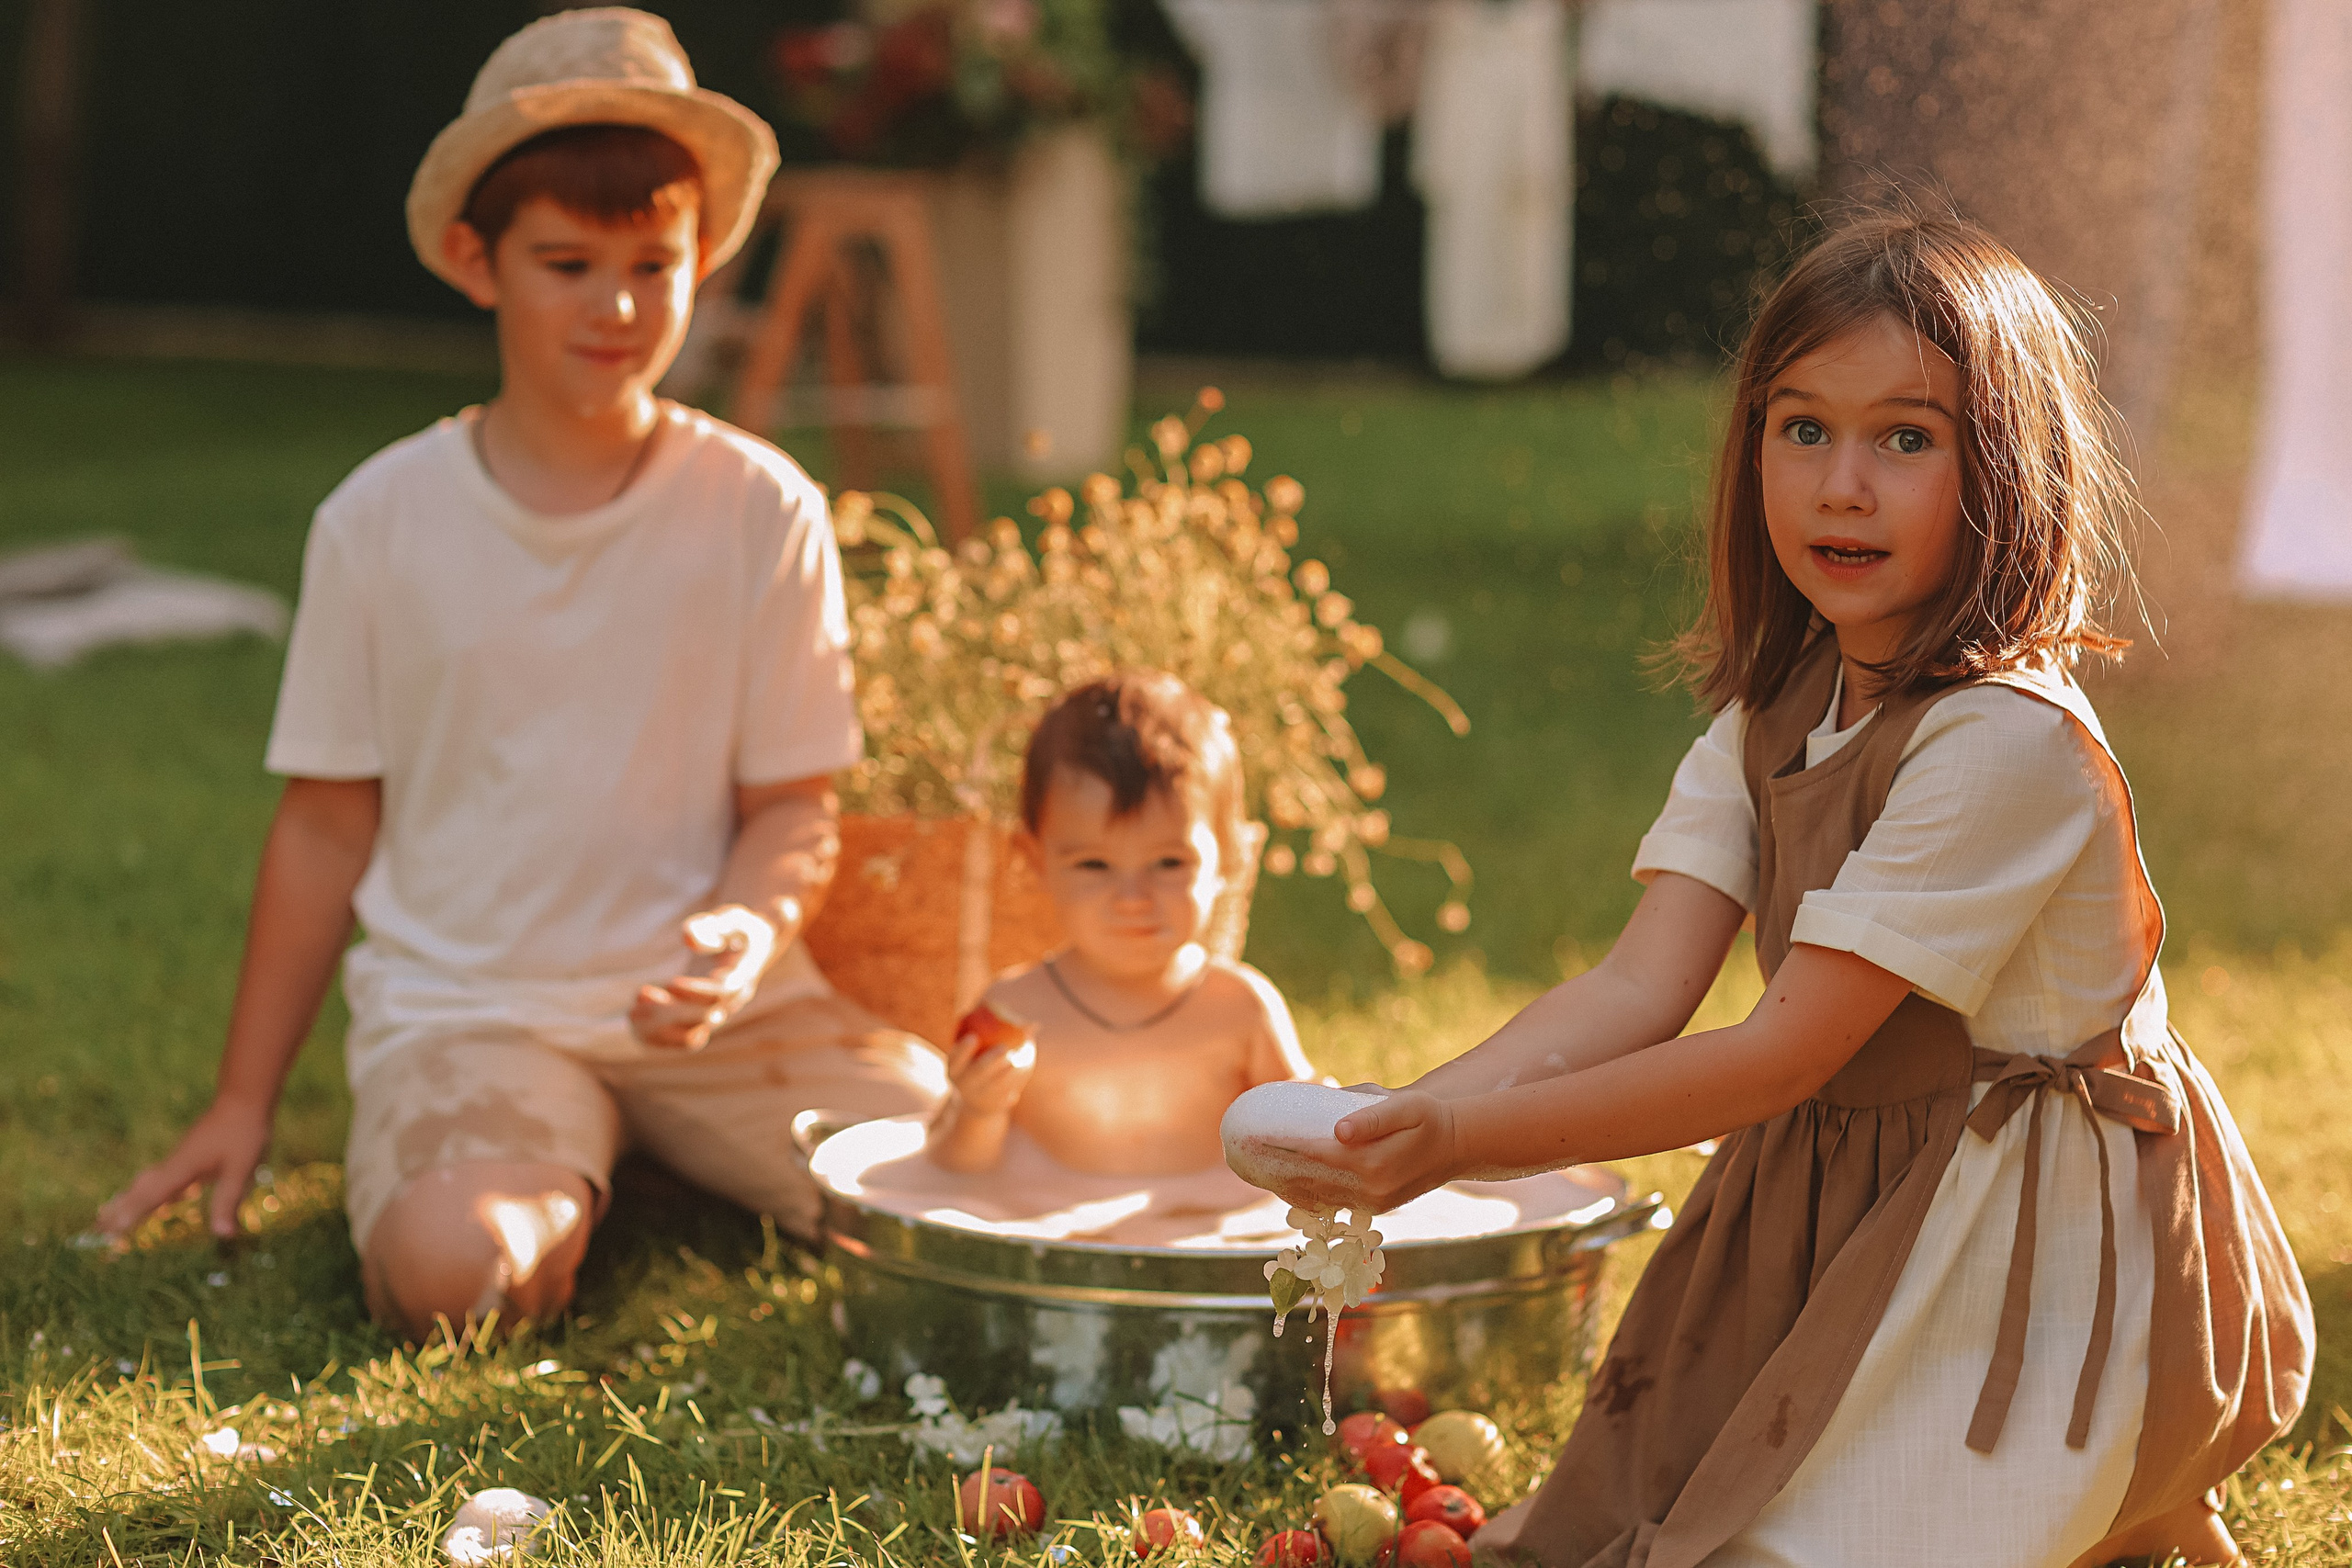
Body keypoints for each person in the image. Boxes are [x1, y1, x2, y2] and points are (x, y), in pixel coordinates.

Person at [1250, 214, 2312, 1568]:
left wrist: (1465, 1143)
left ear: (2011, 471)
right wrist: (1411, 1118)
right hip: (1851, 1175)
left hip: (2020, 1218)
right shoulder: (1780, 705)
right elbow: (1640, 982)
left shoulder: (2005, 744)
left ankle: (2122, 1470)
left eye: (1906, 438)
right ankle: (2108, 1498)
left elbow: (1781, 1049)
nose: (1841, 486)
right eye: (1801, 427)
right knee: (1633, 1514)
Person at [96, 9, 945, 1340]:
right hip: (474, 1010)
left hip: (716, 1016)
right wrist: (241, 1103)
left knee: (988, 1186)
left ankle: (638, 1139)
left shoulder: (759, 507)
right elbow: (324, 827)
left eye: (652, 263)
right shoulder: (377, 521)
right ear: (473, 258)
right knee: (455, 1276)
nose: (615, 304)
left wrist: (742, 928)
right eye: (566, 261)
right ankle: (555, 1159)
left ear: (703, 259)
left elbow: (794, 805)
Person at [925, 671, 1313, 1175]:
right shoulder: (1016, 1012)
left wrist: (1320, 1120)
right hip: (1051, 1237)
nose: (1133, 899)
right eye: (1094, 865)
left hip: (1196, 1239)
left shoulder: (1240, 1010)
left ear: (1231, 858)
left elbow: (1307, 1155)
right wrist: (978, 1110)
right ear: (1034, 859)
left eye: (1169, 863)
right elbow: (957, 1175)